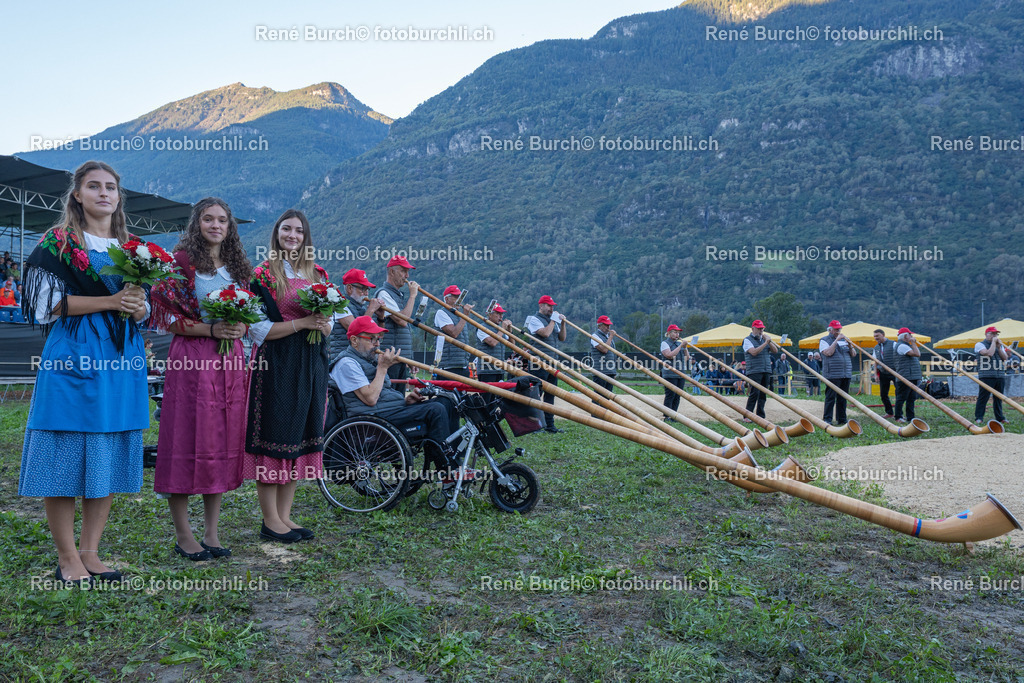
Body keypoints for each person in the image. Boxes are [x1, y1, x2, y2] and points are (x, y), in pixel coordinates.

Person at [19, 161, 148, 585]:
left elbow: (142, 307)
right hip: (74, 354)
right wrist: (111, 303)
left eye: (110, 187)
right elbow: (46, 305)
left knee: (106, 453)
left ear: (118, 196)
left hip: (120, 358)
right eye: (94, 186)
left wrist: (139, 307)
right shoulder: (58, 242)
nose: (103, 193)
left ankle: (91, 553)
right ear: (77, 195)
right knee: (63, 453)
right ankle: (67, 557)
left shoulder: (133, 248)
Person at [150, 197, 252, 561]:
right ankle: (183, 534)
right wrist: (211, 329)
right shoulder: (181, 263)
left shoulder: (238, 267)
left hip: (229, 362)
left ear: (229, 226)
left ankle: (211, 531)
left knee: (220, 441)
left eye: (222, 220)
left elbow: (248, 317)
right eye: (208, 219)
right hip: (192, 360)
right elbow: (167, 320)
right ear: (197, 223)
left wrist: (240, 327)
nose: (215, 225)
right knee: (184, 438)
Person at [245, 209, 333, 543]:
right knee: (275, 433)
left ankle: (285, 515)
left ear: (305, 236)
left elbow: (330, 324)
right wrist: (303, 323)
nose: (292, 235)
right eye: (286, 229)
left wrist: (323, 324)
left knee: (298, 434)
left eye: (298, 230)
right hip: (277, 363)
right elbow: (258, 329)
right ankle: (270, 520)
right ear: (277, 234)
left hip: (311, 363)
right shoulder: (264, 274)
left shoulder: (317, 273)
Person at [331, 316, 459, 468]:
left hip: (387, 412)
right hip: (372, 420)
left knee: (446, 401)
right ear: (354, 340)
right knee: (435, 409)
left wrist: (405, 401)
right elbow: (370, 399)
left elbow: (383, 394)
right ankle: (447, 468)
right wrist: (383, 368)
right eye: (372, 339)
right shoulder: (346, 363)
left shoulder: (367, 360)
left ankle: (451, 457)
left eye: (378, 339)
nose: (377, 344)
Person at [524, 295, 568, 433]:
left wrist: (562, 323)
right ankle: (534, 426)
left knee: (550, 394)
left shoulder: (552, 321)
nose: (551, 308)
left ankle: (550, 425)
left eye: (552, 306)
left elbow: (562, 338)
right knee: (536, 394)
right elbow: (545, 334)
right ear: (541, 306)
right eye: (549, 305)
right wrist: (554, 321)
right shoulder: (534, 319)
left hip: (551, 362)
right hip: (538, 363)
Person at [374, 256, 419, 381]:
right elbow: (403, 321)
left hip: (399, 358)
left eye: (408, 272)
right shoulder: (384, 293)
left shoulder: (397, 295)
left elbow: (403, 331)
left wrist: (409, 358)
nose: (407, 276)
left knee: (400, 392)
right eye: (403, 271)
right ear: (392, 272)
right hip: (390, 358)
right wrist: (412, 296)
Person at [328, 268, 381, 363]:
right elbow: (358, 331)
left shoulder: (362, 308)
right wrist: (371, 310)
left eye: (367, 289)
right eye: (363, 289)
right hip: (344, 360)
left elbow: (379, 336)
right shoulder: (340, 305)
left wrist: (381, 318)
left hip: (360, 359)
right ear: (349, 288)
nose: (366, 293)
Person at [819, 320, 856, 424]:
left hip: (845, 373)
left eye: (839, 329)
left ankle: (842, 419)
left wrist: (850, 345)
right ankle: (827, 419)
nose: (838, 331)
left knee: (843, 398)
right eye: (836, 329)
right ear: (830, 330)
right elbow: (828, 353)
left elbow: (853, 354)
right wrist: (836, 341)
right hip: (832, 374)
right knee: (830, 397)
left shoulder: (845, 340)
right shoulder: (824, 340)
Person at [433, 285, 474, 378]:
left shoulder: (459, 316)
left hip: (463, 364)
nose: (459, 300)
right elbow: (454, 333)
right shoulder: (441, 313)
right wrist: (465, 315)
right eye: (455, 297)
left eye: (460, 297)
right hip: (448, 366)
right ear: (446, 299)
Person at [742, 320, 778, 421]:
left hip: (766, 369)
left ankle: (760, 416)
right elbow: (754, 352)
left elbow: (775, 351)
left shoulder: (765, 339)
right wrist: (765, 343)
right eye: (758, 329)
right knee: (754, 393)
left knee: (763, 394)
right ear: (753, 329)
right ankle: (747, 416)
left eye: (762, 328)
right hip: (754, 370)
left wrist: (769, 342)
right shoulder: (747, 340)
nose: (761, 330)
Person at [974, 325, 1010, 424]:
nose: (995, 336)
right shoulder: (979, 345)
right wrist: (994, 343)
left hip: (1000, 374)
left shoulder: (999, 345)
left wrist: (999, 347)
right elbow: (989, 353)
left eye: (996, 334)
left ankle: (1000, 417)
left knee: (998, 398)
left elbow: (1005, 358)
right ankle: (979, 417)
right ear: (986, 334)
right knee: (983, 397)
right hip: (986, 375)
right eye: (992, 333)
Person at [892, 328, 922, 423]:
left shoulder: (905, 346)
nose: (912, 337)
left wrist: (912, 343)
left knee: (911, 398)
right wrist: (913, 343)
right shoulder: (902, 346)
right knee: (901, 398)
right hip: (905, 376)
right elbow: (917, 354)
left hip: (911, 376)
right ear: (905, 336)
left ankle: (910, 417)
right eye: (910, 335)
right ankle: (898, 417)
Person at [475, 303, 511, 382]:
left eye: (502, 314)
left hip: (500, 369)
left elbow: (512, 345)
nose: (501, 316)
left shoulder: (500, 330)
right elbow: (492, 343)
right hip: (486, 371)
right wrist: (502, 329)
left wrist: (509, 331)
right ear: (490, 315)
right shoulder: (482, 327)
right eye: (498, 313)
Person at [660, 324, 689, 416]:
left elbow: (687, 358)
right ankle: (667, 415)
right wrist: (680, 346)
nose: (677, 334)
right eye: (675, 332)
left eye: (678, 333)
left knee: (677, 396)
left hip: (680, 373)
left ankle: (674, 416)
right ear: (669, 333)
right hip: (670, 373)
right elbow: (669, 355)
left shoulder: (679, 344)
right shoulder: (664, 343)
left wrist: (685, 347)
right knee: (670, 395)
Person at [871, 329, 897, 418]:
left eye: (877, 336)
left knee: (898, 393)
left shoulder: (893, 344)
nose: (876, 338)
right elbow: (875, 361)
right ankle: (889, 412)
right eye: (874, 336)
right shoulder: (876, 348)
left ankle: (898, 414)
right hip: (883, 373)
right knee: (883, 394)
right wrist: (875, 374)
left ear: (883, 334)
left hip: (894, 372)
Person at [590, 315, 617, 395]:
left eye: (609, 325)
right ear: (599, 326)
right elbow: (604, 350)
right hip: (600, 372)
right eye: (606, 325)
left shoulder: (608, 338)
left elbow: (613, 355)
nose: (608, 327)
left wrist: (613, 371)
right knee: (598, 397)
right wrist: (611, 337)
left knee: (607, 397)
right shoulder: (595, 336)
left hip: (610, 371)